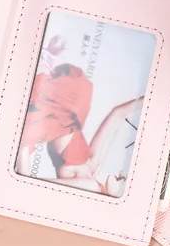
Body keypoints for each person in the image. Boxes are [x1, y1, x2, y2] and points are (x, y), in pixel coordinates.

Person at [17, 34, 144, 196]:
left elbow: (30, 182)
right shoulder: (92, 165)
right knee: (73, 86)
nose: (122, 176)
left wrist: (24, 146)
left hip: (50, 120)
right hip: (61, 114)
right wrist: (150, 101)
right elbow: (117, 114)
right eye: (124, 178)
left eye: (123, 181)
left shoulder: (91, 186)